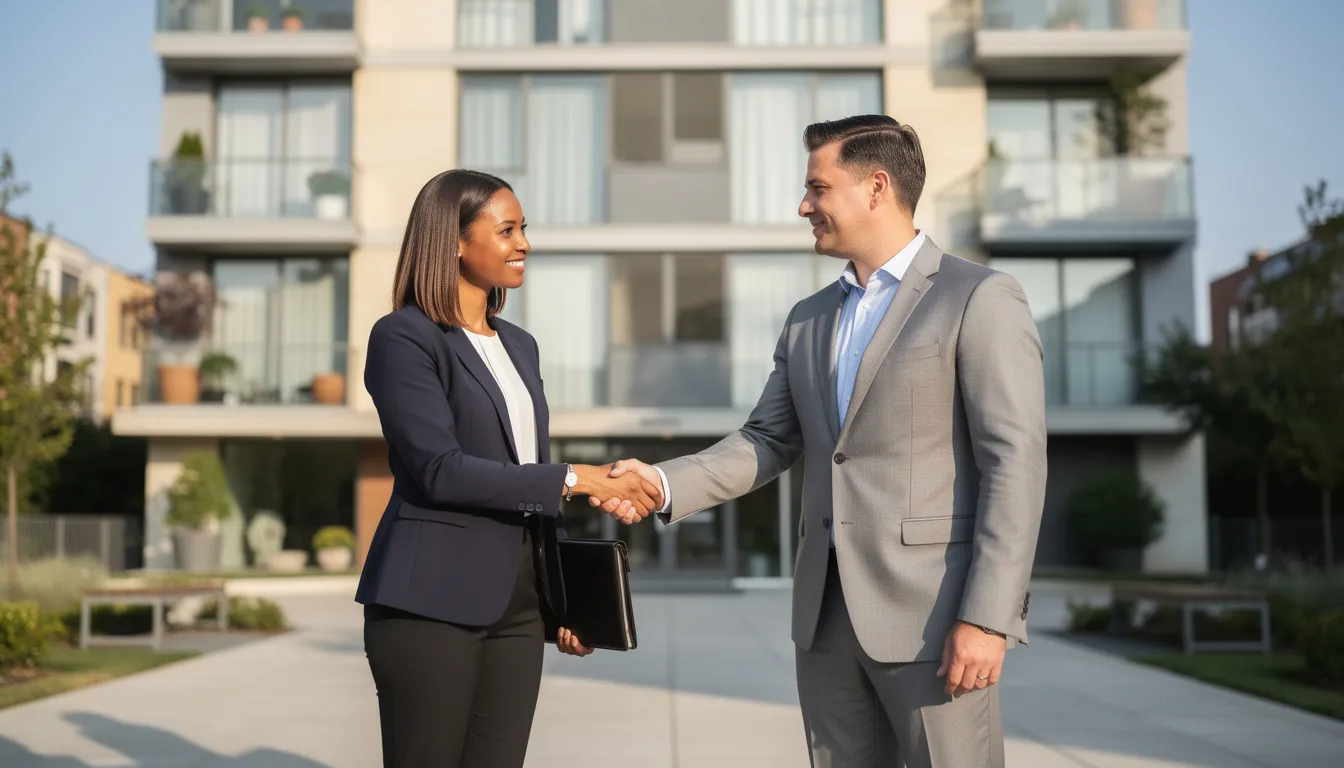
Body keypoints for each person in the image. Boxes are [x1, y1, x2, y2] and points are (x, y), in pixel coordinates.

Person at [596, 116, 1047, 768]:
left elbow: (1016, 463)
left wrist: (988, 617)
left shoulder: (978, 298)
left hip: (935, 619)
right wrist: (660, 483)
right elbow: (768, 438)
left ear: (875, 187)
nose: (803, 205)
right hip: (825, 621)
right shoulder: (808, 319)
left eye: (817, 188)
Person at [356, 169, 664, 768]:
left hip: (518, 609)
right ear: (453, 240)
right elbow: (439, 470)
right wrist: (578, 477)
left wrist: (563, 600)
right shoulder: (404, 337)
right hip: (429, 604)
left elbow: (526, 473)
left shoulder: (520, 345)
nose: (523, 243)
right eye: (506, 230)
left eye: (524, 229)